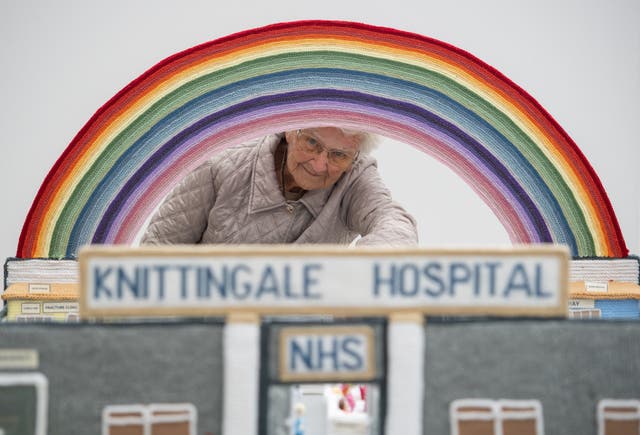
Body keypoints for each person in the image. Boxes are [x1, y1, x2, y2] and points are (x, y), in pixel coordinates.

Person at [141, 127, 417, 246]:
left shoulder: (355, 177)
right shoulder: (220, 165)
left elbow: (393, 220)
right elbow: (156, 254)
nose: (320, 164)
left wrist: (372, 261)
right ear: (291, 129)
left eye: (338, 155)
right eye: (312, 142)